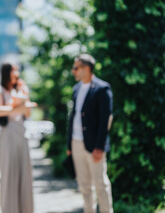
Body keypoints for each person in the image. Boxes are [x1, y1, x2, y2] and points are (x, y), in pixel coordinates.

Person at [66, 54, 113, 213]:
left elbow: (105, 120)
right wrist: (69, 145)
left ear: (87, 68)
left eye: (76, 67)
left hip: (94, 145)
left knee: (100, 184)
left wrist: (100, 146)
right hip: (76, 142)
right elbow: (73, 118)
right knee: (84, 185)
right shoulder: (76, 88)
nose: (74, 71)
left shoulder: (102, 88)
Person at [0, 62, 36, 213]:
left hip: (22, 133)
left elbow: (27, 114)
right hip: (8, 134)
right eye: (14, 70)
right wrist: (19, 107)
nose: (17, 73)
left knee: (25, 173)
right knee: (9, 173)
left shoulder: (20, 88)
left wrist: (25, 94)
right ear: (7, 72)